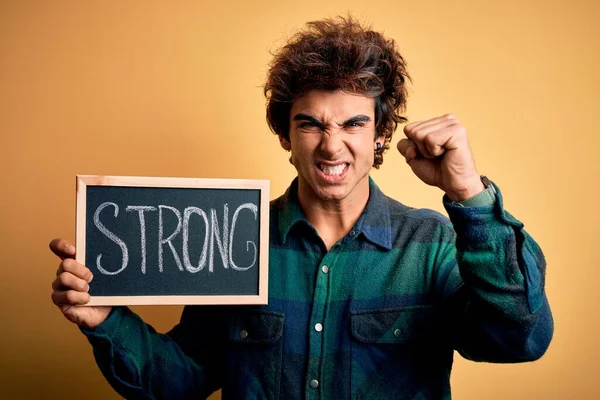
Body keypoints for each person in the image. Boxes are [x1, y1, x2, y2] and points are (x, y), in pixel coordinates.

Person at [49, 16, 553, 400]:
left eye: (353, 124)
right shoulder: (233, 239)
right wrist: (104, 317)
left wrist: (468, 192)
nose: (332, 147)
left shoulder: (433, 244)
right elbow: (179, 379)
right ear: (286, 135)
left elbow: (520, 338)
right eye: (311, 123)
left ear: (380, 134)